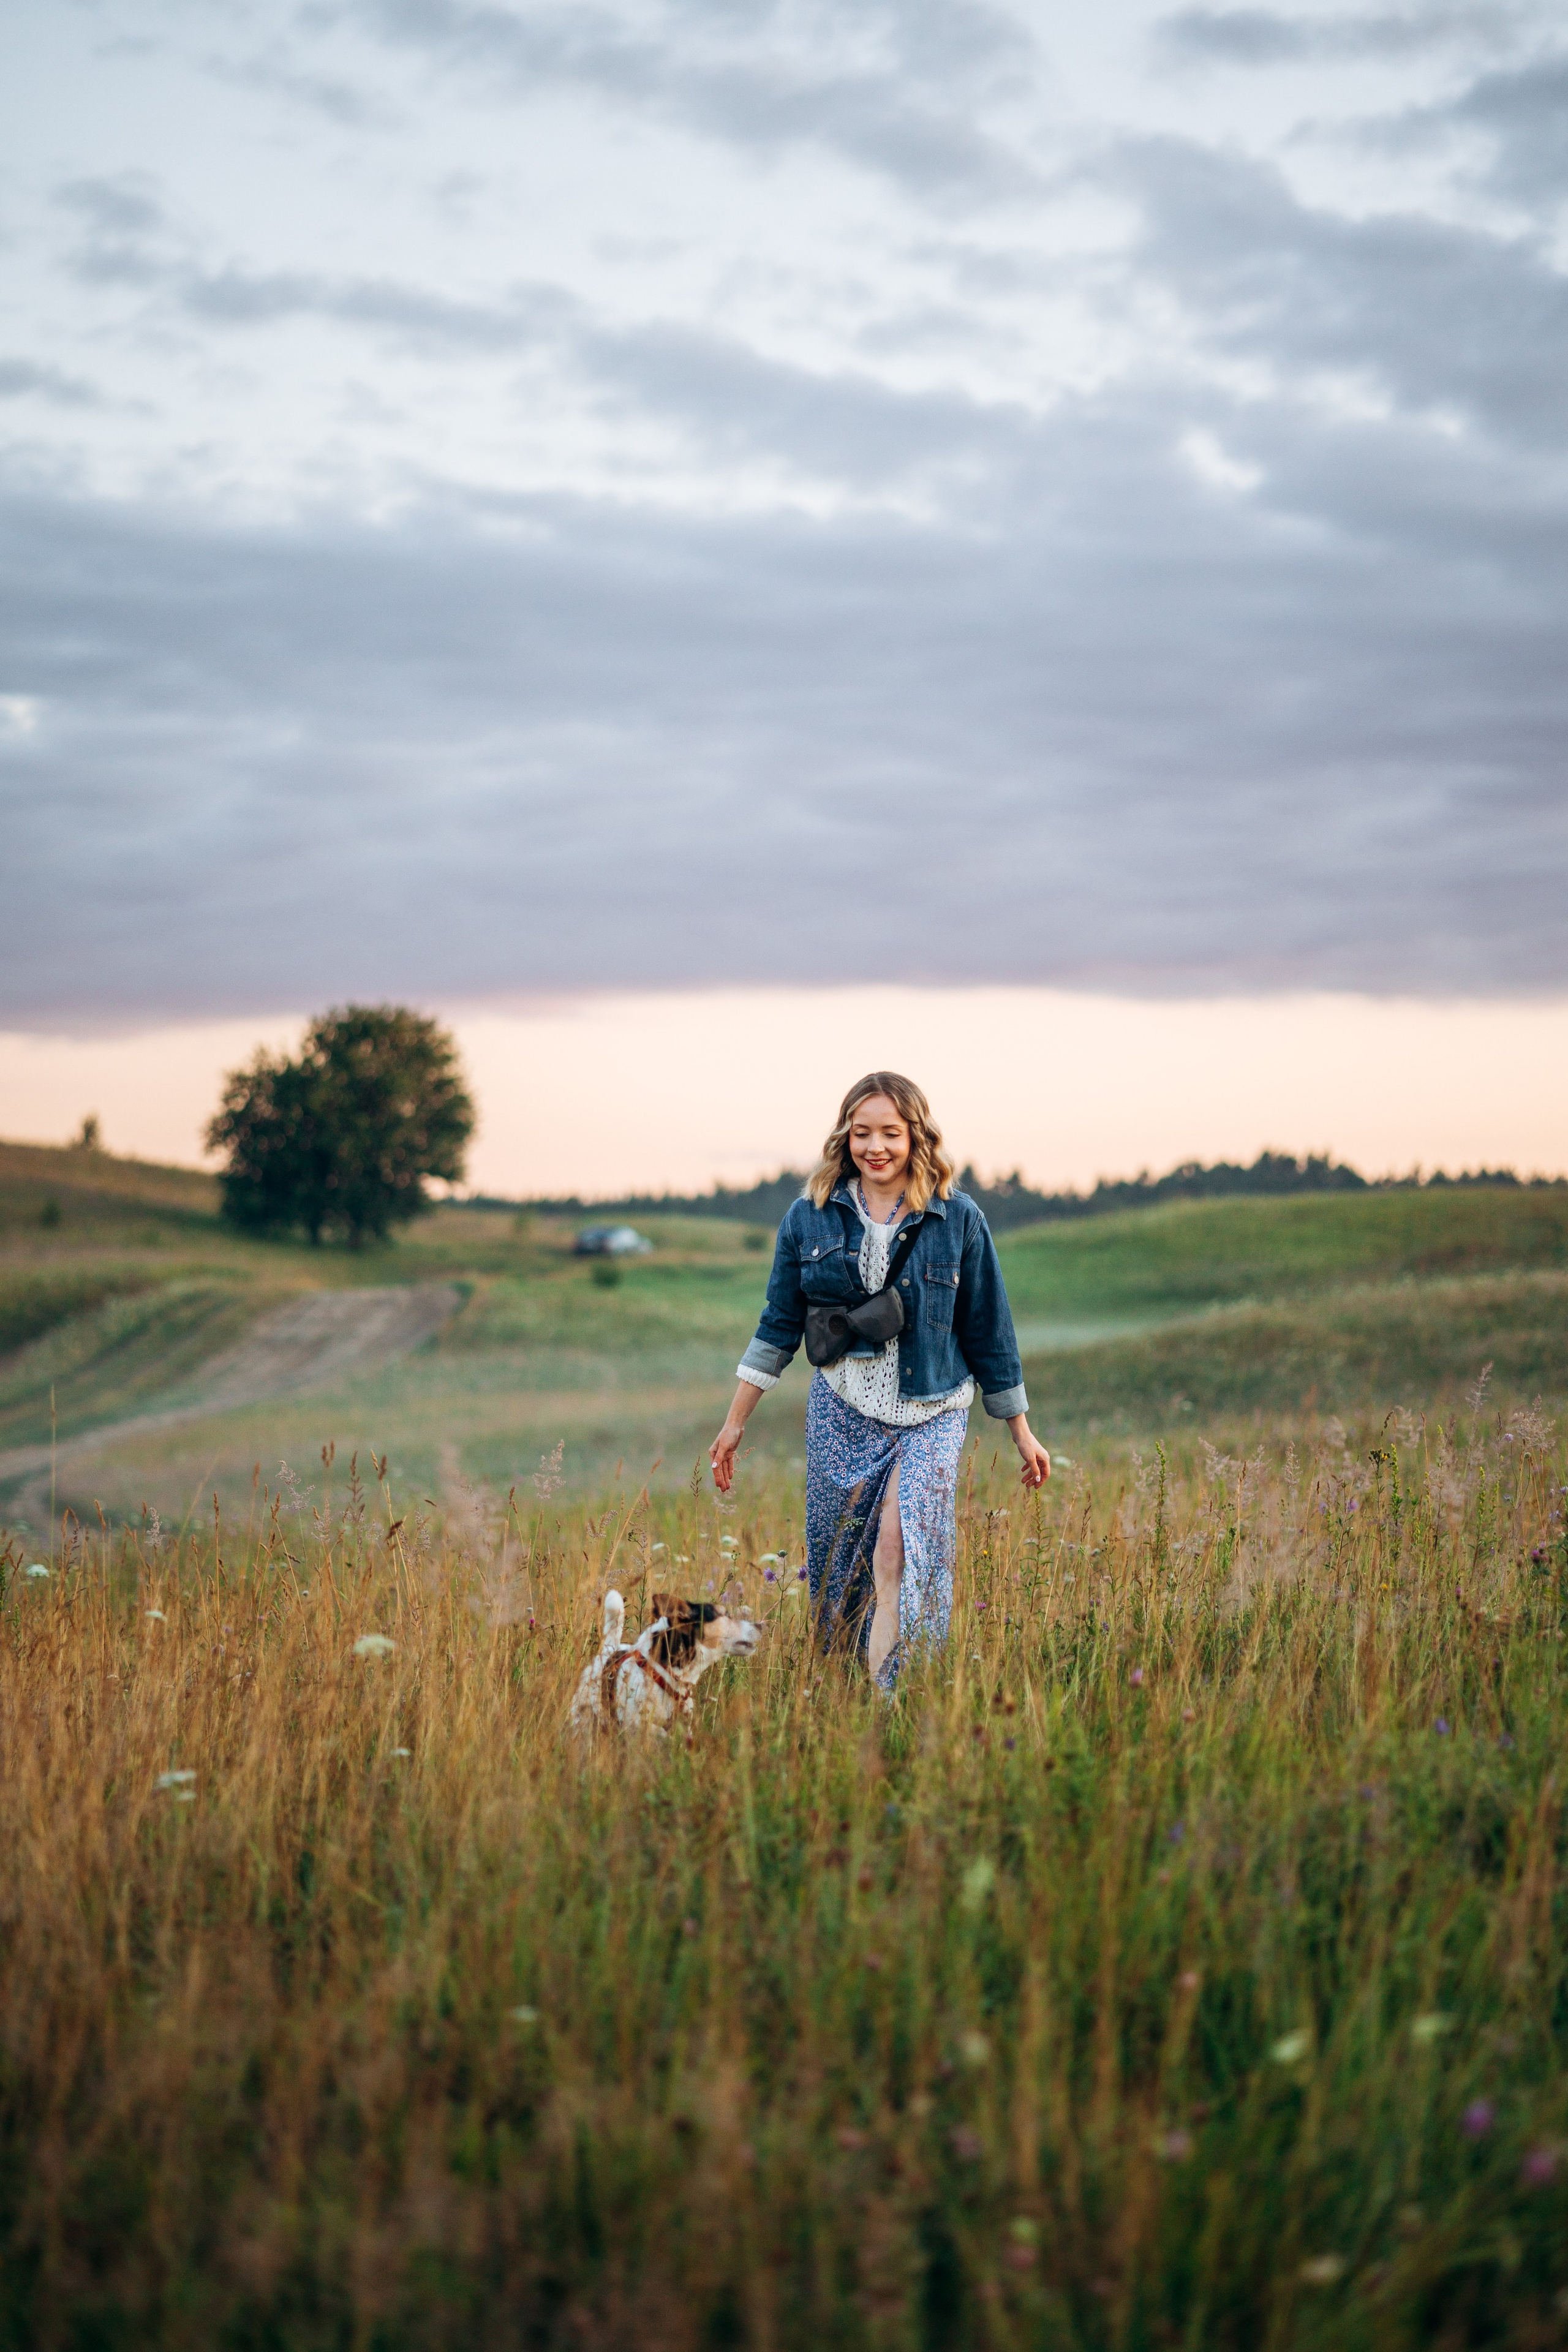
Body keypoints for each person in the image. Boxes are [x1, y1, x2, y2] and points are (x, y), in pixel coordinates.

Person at [710, 1071, 1050, 1689]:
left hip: (933, 1410)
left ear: (916, 1135)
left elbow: (989, 1330)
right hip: (841, 1410)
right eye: (861, 1132)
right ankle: (842, 1688)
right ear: (844, 1137)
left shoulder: (958, 1218)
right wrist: (735, 1424)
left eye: (890, 1133)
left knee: (898, 1545)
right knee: (839, 1569)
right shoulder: (808, 1218)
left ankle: (894, 1693)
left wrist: (1021, 1432)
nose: (876, 1147)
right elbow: (778, 1325)